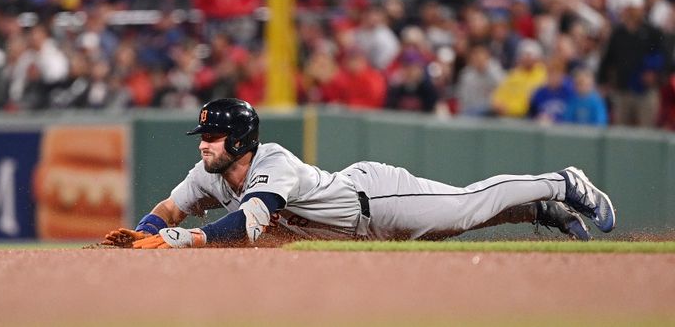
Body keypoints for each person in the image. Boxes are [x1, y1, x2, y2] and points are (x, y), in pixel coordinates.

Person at [103, 98, 616, 249]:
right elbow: (169, 209)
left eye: (212, 137)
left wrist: (176, 241)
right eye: (204, 138)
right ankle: (538, 209)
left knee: (465, 205)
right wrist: (142, 234)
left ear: (238, 140)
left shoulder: (273, 162)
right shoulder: (208, 173)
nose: (205, 146)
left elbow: (246, 226)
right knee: (458, 225)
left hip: (376, 198)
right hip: (360, 230)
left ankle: (563, 180)